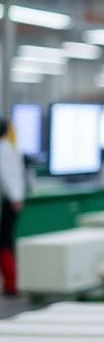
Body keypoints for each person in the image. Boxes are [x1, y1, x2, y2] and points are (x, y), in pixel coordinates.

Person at [0, 118, 25, 296]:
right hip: (14, 199)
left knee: (5, 241)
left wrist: (14, 197)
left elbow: (7, 175)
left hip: (10, 200)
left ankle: (10, 283)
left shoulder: (3, 149)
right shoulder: (10, 147)